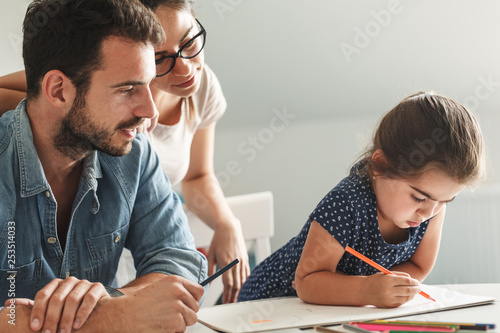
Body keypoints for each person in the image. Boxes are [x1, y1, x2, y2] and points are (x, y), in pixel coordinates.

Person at [0, 0, 250, 304]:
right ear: (58, 91)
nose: (150, 111)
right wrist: (112, 313)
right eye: (127, 90)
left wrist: (109, 304)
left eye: (148, 84)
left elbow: (180, 263)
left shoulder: (134, 152)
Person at [238, 92, 486, 308]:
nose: (429, 213)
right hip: (270, 304)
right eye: (419, 197)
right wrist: (368, 291)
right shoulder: (346, 202)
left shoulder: (431, 206)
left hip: (332, 314)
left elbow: (419, 266)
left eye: (445, 201)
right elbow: (306, 282)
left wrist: (390, 290)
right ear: (380, 165)